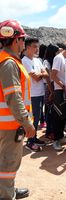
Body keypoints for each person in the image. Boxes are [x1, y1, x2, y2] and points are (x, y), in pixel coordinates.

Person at [0, 19, 35, 199]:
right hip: (9, 124)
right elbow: (14, 97)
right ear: (15, 41)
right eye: (22, 39)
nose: (24, 43)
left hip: (7, 123)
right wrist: (27, 122)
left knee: (6, 161)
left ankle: (7, 190)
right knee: (8, 163)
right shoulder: (9, 63)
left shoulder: (8, 61)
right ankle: (6, 196)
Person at [22, 37, 49, 151]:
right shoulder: (24, 61)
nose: (37, 49)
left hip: (39, 93)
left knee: (37, 118)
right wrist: (40, 74)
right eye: (34, 46)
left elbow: (45, 74)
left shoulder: (37, 60)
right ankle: (30, 141)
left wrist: (40, 74)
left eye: (37, 46)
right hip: (31, 95)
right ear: (27, 47)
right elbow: (37, 78)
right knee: (32, 119)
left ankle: (34, 138)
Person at [51, 43, 66, 151]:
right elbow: (53, 75)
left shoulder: (64, 58)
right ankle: (56, 141)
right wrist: (63, 85)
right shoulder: (58, 58)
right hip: (60, 91)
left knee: (63, 115)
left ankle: (61, 137)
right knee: (58, 115)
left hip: (64, 91)